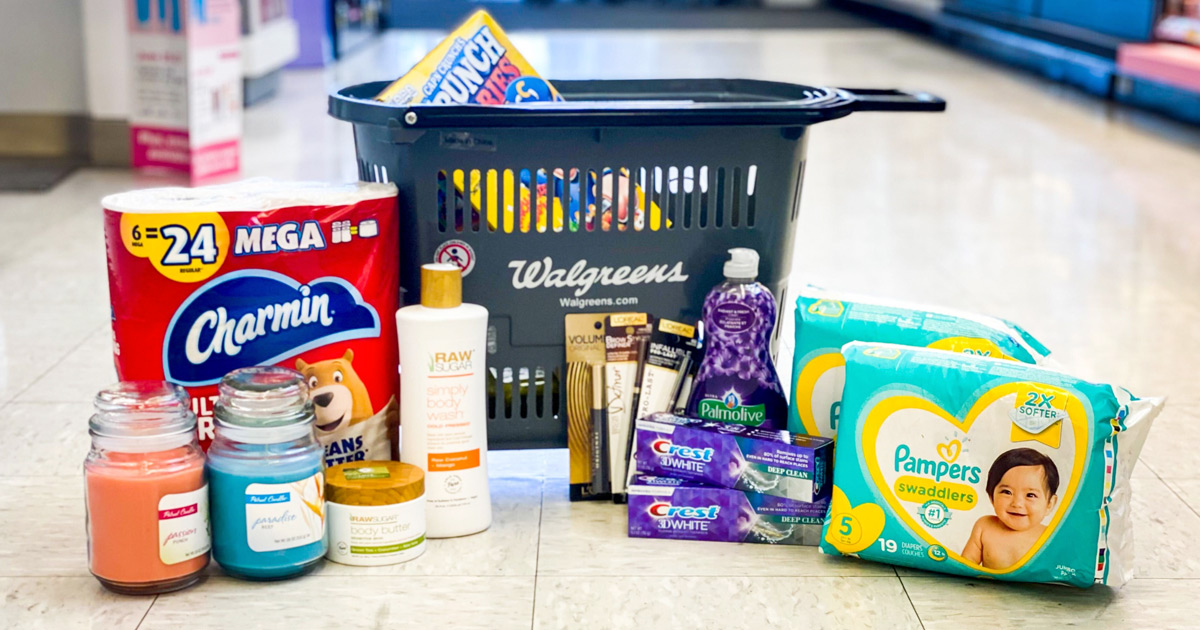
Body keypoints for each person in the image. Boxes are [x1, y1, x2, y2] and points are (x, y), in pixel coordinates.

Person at [961, 448, 1060, 570]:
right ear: (991, 496)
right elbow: (966, 564)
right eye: (1007, 492)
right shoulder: (984, 527)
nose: (1017, 503)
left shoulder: (1051, 536)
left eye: (1030, 495)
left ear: (1050, 504)